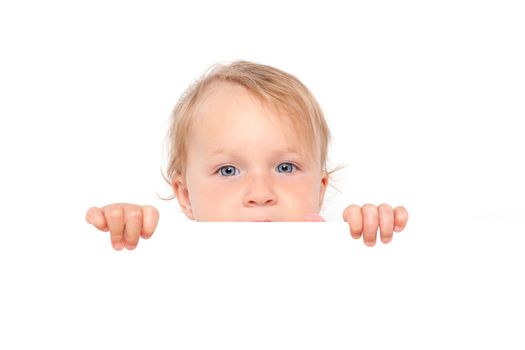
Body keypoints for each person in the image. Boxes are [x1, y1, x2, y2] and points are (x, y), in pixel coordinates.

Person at [86, 60, 409, 250]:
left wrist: (372, 233)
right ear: (184, 196)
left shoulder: (331, 243)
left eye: (286, 167)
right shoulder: (174, 248)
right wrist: (126, 228)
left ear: (320, 189)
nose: (260, 194)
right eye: (228, 170)